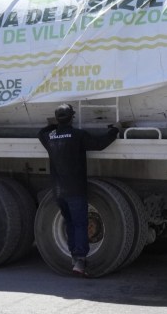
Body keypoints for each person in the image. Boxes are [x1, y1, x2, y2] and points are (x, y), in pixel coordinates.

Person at [37, 103, 120, 275]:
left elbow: (40, 133)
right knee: (80, 224)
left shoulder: (50, 137)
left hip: (58, 191)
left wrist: (53, 124)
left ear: (57, 119)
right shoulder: (77, 135)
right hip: (75, 189)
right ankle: (80, 261)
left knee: (70, 223)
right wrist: (115, 130)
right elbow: (100, 144)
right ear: (72, 118)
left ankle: (75, 258)